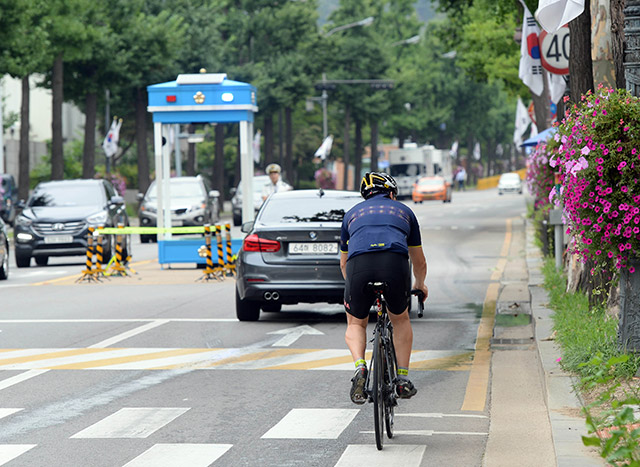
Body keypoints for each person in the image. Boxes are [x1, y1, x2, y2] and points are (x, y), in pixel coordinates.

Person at [339, 172, 429, 404]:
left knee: (356, 322)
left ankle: (360, 369)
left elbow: (343, 263)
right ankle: (402, 379)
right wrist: (419, 285)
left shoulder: (351, 215)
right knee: (400, 320)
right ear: (391, 193)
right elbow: (418, 261)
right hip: (393, 263)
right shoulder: (405, 212)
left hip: (358, 266)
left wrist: (353, 288)